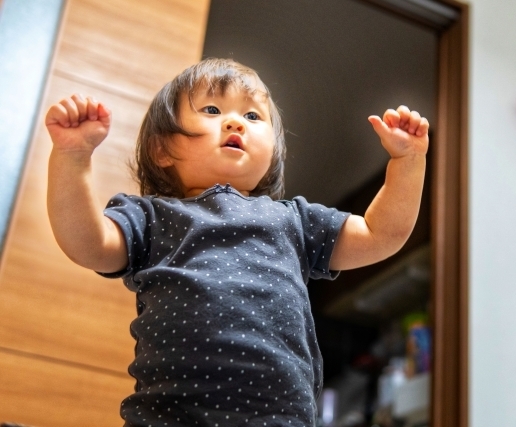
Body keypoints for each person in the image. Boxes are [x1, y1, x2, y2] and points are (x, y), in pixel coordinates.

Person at [45, 58, 429, 427]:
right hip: (169, 415)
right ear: (162, 149)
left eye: (252, 116)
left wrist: (407, 163)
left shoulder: (294, 220)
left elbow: (382, 236)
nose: (235, 122)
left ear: (273, 152)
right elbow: (88, 244)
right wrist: (73, 156)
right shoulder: (150, 216)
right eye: (212, 110)